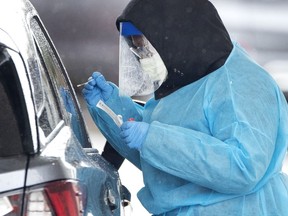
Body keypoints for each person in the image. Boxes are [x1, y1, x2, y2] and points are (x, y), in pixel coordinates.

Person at [82, 0, 288, 215]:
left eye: (144, 47)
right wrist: (111, 108)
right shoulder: (188, 81)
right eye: (135, 49)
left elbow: (242, 168)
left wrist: (153, 139)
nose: (142, 58)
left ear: (177, 36)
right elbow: (164, 162)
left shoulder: (243, 84)